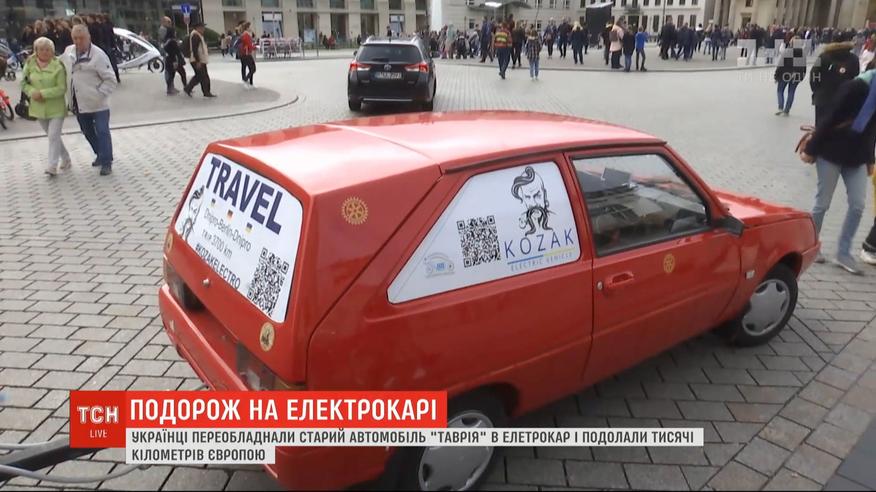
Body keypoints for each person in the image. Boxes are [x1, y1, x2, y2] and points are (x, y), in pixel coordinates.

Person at [801, 69, 876, 274]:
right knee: (822, 203)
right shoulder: (855, 87)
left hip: (857, 157)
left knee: (858, 205)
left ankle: (843, 252)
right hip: (831, 152)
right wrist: (811, 149)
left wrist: (870, 159)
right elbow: (829, 119)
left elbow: (872, 129)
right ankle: (811, 244)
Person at [62, 24, 117, 176]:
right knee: (87, 131)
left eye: (81, 38)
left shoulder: (98, 55)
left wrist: (99, 94)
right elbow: (60, 65)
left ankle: (106, 162)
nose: (78, 41)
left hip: (99, 104)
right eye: (75, 38)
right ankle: (100, 153)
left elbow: (111, 80)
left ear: (89, 38)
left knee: (102, 131)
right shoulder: (69, 52)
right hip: (79, 103)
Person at [22, 36, 70, 177]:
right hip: (38, 108)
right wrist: (32, 92)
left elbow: (61, 88)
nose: (44, 52)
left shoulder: (58, 66)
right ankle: (66, 158)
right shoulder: (30, 64)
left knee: (53, 135)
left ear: (52, 51)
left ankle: (52, 166)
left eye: (48, 50)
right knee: (52, 136)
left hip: (56, 108)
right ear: (36, 51)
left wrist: (42, 93)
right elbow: (23, 83)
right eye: (41, 49)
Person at [810, 33, 859, 125]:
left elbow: (814, 73)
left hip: (823, 97)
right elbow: (856, 75)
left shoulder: (823, 56)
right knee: (838, 126)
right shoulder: (854, 58)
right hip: (844, 98)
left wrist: (816, 90)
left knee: (820, 126)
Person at [774, 37, 806, 115]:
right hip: (797, 75)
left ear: (791, 43)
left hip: (785, 74)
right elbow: (804, 67)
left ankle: (780, 107)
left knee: (780, 91)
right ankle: (787, 110)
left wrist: (776, 75)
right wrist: (802, 76)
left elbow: (780, 64)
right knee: (791, 92)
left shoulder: (787, 51)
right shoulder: (802, 53)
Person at [184, 21, 216, 98]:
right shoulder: (195, 35)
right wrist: (198, 61)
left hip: (198, 60)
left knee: (200, 76)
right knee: (203, 76)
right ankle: (205, 92)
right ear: (198, 28)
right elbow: (195, 49)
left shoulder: (197, 35)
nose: (204, 29)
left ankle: (189, 89)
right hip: (197, 60)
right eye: (202, 27)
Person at [238, 22, 256, 89]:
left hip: (243, 54)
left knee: (247, 67)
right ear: (247, 28)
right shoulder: (246, 35)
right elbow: (249, 45)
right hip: (246, 53)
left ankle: (250, 83)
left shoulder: (244, 34)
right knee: (253, 69)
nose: (251, 28)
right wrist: (255, 47)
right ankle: (246, 80)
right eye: (250, 27)